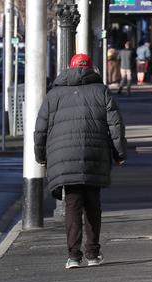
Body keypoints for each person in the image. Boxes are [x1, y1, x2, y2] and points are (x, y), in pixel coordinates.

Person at [34, 53, 127, 269]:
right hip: (95, 156)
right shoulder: (101, 91)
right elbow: (116, 126)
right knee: (93, 205)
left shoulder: (54, 94)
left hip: (64, 158)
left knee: (72, 204)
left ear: (69, 68)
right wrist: (119, 153)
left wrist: (41, 156)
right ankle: (93, 254)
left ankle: (73, 256)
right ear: (92, 69)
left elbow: (40, 130)